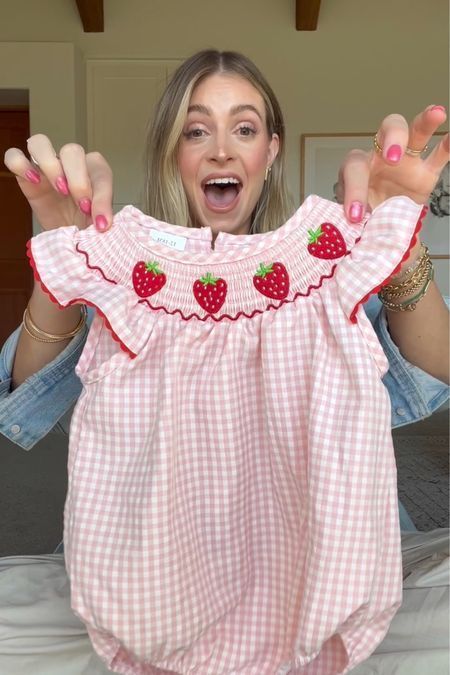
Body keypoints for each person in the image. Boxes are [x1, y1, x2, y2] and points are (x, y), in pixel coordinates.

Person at [1, 50, 449, 675]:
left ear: (271, 148)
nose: (220, 151)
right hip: (151, 567)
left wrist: (397, 250)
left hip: (317, 557)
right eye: (196, 130)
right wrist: (61, 249)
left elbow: (436, 371)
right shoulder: (118, 264)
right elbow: (28, 390)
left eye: (243, 127)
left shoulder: (326, 263)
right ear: (172, 153)